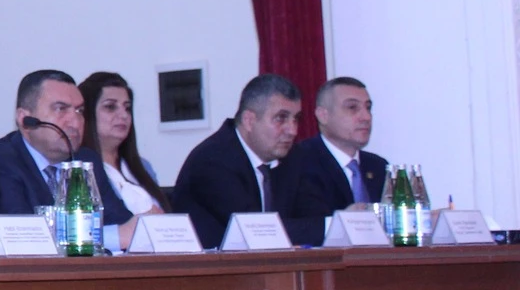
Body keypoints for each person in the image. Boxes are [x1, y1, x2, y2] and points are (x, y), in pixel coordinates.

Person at [171, 73, 303, 249]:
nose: (292, 131)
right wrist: (328, 227)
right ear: (249, 121)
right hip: (212, 265)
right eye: (281, 118)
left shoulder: (291, 157)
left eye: (296, 119)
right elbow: (257, 230)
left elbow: (309, 212)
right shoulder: (212, 160)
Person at [278, 77, 389, 242]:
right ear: (323, 115)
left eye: (368, 107)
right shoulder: (296, 161)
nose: (366, 117)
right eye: (352, 107)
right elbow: (282, 228)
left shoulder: (379, 166)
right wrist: (341, 223)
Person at [78, 71, 171, 248]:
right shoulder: (80, 169)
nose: (123, 115)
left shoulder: (143, 166)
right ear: (87, 114)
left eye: (127, 108)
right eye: (110, 107)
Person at [0, 69, 86, 216]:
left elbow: (116, 222)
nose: (75, 123)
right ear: (25, 119)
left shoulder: (87, 160)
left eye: (79, 111)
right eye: (60, 109)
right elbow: (22, 226)